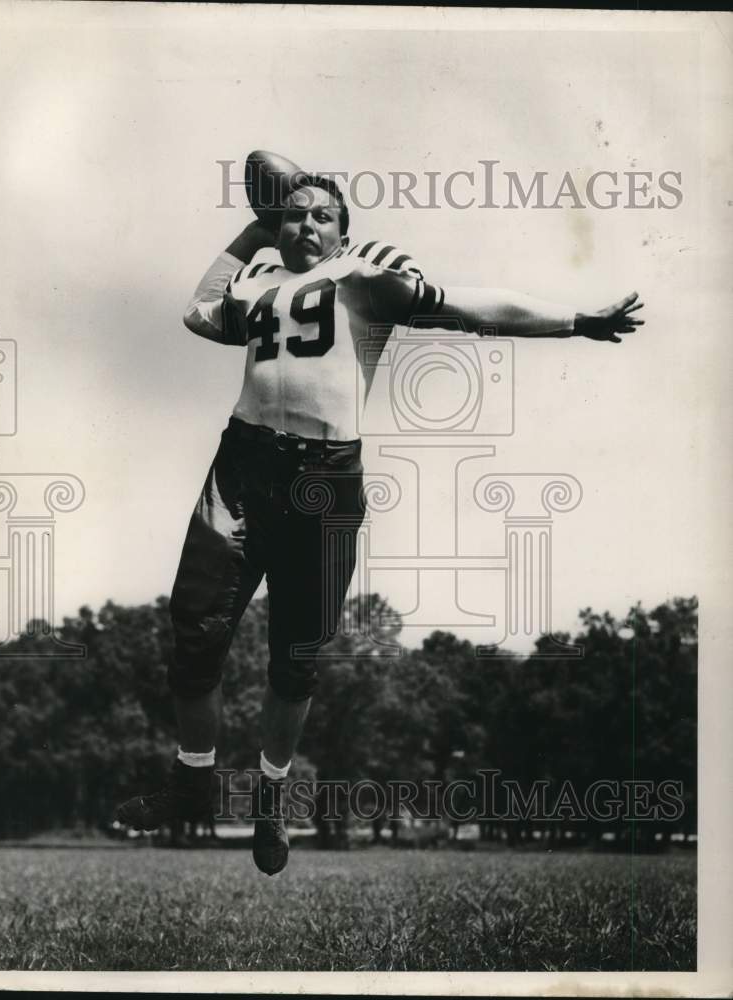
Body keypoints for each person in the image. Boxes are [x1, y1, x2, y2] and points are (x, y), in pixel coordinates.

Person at [116, 172, 644, 876]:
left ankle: (271, 797)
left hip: (325, 481)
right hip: (243, 465)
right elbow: (198, 309)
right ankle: (194, 776)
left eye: (321, 217)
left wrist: (576, 320)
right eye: (294, 216)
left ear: (343, 229)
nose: (305, 226)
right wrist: (253, 229)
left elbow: (474, 308)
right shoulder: (260, 278)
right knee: (194, 629)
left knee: (296, 658)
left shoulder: (368, 275)